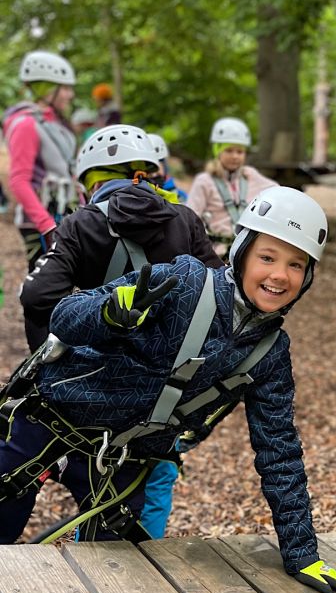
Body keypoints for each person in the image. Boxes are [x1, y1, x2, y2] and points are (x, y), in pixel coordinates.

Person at [0, 186, 336, 593]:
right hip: (44, 427)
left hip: (121, 463)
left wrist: (302, 555)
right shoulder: (184, 282)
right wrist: (109, 313)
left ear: (308, 277)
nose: (280, 275)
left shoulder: (270, 355)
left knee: (108, 589)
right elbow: (63, 319)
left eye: (296, 265)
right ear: (241, 253)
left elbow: (279, 451)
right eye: (267, 257)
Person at [19, 123, 226, 537]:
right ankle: (140, 554)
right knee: (144, 487)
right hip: (162, 396)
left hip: (91, 386)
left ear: (92, 182)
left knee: (69, 470)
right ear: (146, 173)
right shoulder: (185, 221)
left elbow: (38, 296)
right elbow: (220, 298)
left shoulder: (80, 224)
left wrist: (52, 356)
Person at [2, 51, 78, 270]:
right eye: (65, 88)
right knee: (45, 285)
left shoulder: (52, 122)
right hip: (41, 223)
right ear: (47, 89)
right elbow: (19, 180)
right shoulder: (27, 125)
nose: (70, 95)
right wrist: (47, 226)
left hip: (60, 214)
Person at [186, 117, 276, 257]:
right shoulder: (204, 181)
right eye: (229, 151)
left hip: (247, 252)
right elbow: (191, 218)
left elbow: (278, 192)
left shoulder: (250, 176)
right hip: (216, 253)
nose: (235, 156)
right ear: (217, 151)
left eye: (240, 152)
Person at [147, 132, 188, 202]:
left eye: (157, 167)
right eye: (149, 169)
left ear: (164, 165)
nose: (154, 174)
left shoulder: (181, 196)